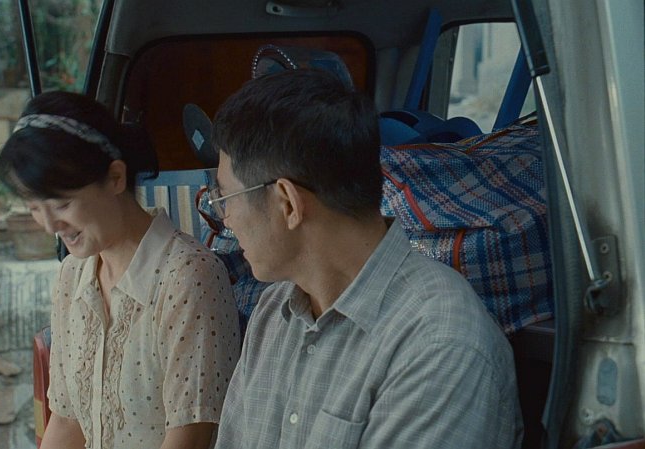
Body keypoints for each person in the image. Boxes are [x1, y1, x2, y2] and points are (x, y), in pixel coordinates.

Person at [210, 69, 523, 448]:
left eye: (225, 199)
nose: (225, 219)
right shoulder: (274, 312)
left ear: (287, 203)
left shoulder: (441, 344)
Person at [0, 91, 241, 449]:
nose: (49, 225)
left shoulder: (188, 277)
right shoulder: (72, 276)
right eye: (34, 207)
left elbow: (190, 438)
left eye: (62, 203)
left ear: (115, 177)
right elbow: (66, 422)